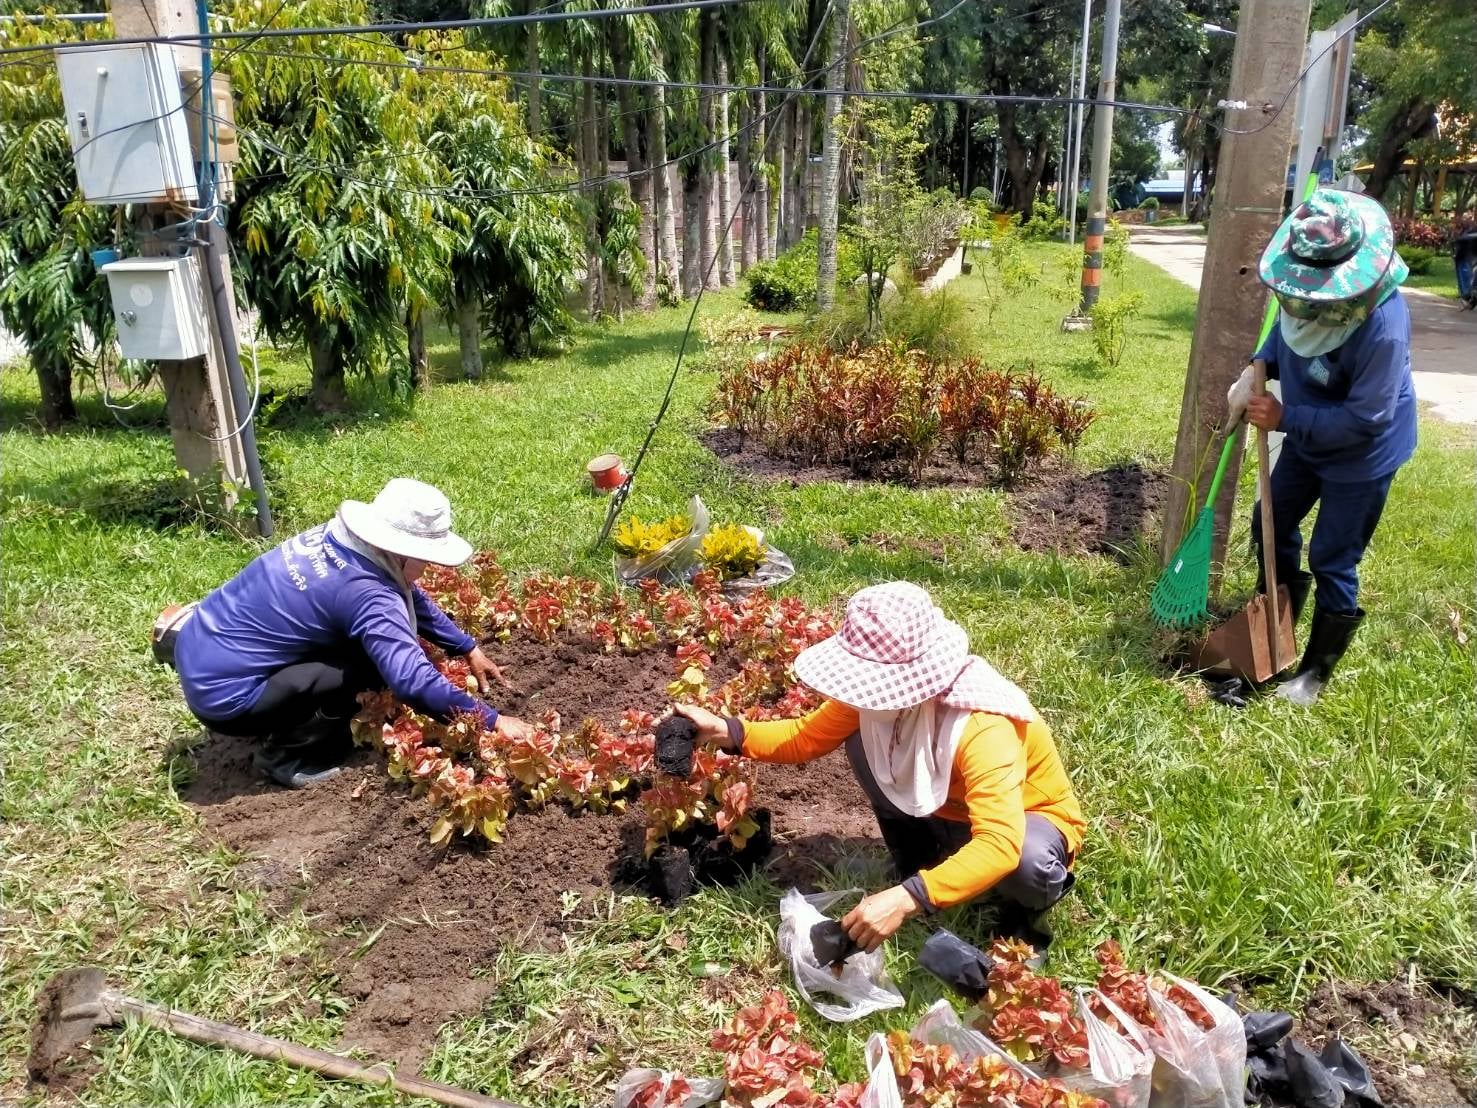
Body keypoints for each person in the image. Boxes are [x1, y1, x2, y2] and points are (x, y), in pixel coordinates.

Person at [675, 582, 1085, 955]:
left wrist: (909, 899)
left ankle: (1022, 926)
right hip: (950, 814)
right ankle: (918, 861)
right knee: (862, 741)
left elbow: (1000, 843)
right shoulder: (880, 705)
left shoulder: (982, 726)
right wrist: (725, 731)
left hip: (1025, 822)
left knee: (1027, 864)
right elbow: (805, 736)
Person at [163, 478, 534, 788]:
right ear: (403, 551)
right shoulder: (367, 593)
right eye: (427, 558)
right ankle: (286, 755)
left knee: (354, 644)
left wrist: (466, 647)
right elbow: (412, 682)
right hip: (225, 699)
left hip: (201, 643)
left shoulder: (340, 540)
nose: (429, 568)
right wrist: (494, 721)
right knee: (367, 669)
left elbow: (406, 592)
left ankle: (280, 712)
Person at [1226, 188, 1416, 705]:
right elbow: (1282, 335)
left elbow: (1367, 419)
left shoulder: (1382, 326)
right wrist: (1254, 368)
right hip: (1309, 441)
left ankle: (1313, 672)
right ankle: (1276, 627)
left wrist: (1286, 417)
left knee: (1332, 555)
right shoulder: (1302, 296)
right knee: (1270, 521)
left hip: (1362, 456)